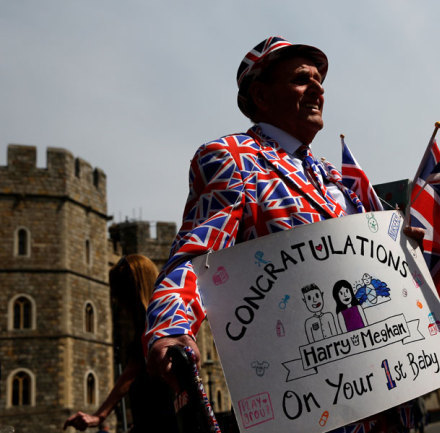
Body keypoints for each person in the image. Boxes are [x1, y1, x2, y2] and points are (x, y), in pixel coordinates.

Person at [143, 37, 416, 432]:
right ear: (261, 94)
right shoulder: (232, 158)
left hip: (386, 398)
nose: (318, 88)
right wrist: (170, 328)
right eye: (302, 79)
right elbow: (197, 260)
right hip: (307, 406)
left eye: (320, 79)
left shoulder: (338, 178)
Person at [63, 255, 177, 433]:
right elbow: (130, 373)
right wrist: (100, 415)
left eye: (123, 296)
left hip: (166, 419)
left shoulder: (163, 325)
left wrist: (100, 415)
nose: (120, 304)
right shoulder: (146, 327)